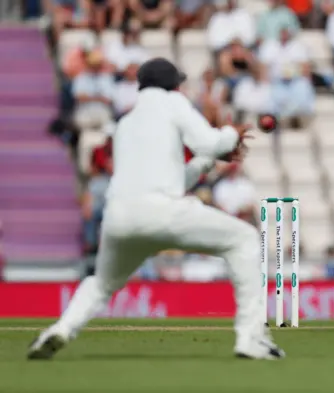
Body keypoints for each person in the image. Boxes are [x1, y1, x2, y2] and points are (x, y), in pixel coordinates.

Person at [27, 58, 285, 361]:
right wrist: (230, 135)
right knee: (245, 240)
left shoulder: (125, 123)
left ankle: (59, 329)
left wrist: (205, 162)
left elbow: (174, 178)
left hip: (120, 218)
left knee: (101, 283)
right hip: (165, 213)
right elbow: (210, 142)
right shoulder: (173, 103)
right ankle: (251, 338)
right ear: (174, 85)